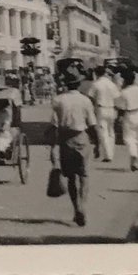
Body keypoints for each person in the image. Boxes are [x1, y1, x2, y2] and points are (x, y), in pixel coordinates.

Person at [50, 69, 97, 227]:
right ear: (79, 84)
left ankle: (76, 208)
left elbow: (53, 125)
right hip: (81, 138)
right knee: (84, 175)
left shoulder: (57, 100)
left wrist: (52, 145)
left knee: (70, 177)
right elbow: (92, 124)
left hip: (65, 139)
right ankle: (83, 207)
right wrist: (97, 144)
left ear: (65, 85)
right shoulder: (85, 101)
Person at [115, 69, 138, 171]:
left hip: (129, 115)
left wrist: (119, 118)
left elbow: (120, 107)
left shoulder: (124, 92)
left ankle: (133, 153)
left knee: (129, 138)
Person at [87, 66, 121, 163]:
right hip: (112, 109)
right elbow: (117, 97)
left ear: (96, 74)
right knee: (111, 131)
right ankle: (111, 152)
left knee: (103, 132)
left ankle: (108, 155)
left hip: (101, 109)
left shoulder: (96, 84)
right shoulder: (112, 84)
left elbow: (91, 97)